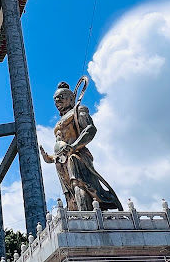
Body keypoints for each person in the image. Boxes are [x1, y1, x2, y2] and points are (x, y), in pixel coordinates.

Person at [40, 81, 122, 211]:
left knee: (79, 184)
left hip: (76, 155)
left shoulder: (78, 110)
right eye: (55, 99)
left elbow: (90, 129)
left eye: (61, 97)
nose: (57, 100)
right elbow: (61, 144)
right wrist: (49, 158)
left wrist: (74, 146)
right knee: (69, 192)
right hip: (61, 160)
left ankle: (87, 215)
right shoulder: (59, 122)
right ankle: (75, 211)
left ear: (71, 98)